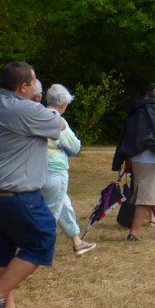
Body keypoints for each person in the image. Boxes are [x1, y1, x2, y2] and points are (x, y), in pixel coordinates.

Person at [0, 62, 64, 308]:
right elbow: (60, 126)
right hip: (15, 190)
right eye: (34, 83)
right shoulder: (25, 109)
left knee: (2, 248)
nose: (37, 87)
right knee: (43, 237)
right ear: (23, 87)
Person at [113, 82, 155, 242]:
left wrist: (127, 157)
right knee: (146, 196)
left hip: (136, 157)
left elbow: (129, 135)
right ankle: (134, 232)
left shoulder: (137, 110)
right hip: (152, 159)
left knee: (150, 192)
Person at [41, 84, 96, 256]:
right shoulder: (58, 120)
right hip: (55, 170)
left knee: (63, 205)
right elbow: (74, 147)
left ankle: (77, 241)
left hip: (37, 169)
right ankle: (39, 250)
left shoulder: (37, 115)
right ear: (63, 104)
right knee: (51, 213)